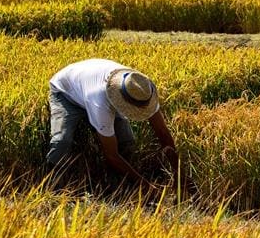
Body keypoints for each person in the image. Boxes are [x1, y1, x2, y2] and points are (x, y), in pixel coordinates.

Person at [46, 58, 182, 193]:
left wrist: (178, 175)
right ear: (123, 103)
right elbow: (111, 154)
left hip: (89, 84)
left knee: (127, 142)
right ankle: (54, 190)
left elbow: (163, 133)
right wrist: (145, 185)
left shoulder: (142, 90)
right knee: (62, 141)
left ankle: (117, 187)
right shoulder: (100, 101)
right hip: (66, 92)